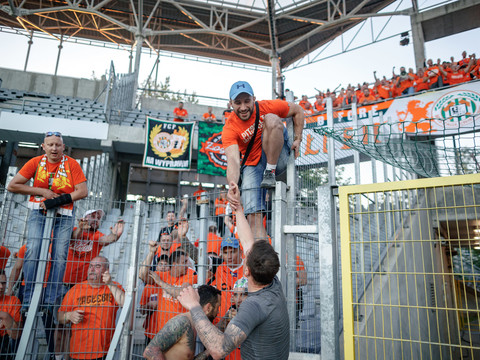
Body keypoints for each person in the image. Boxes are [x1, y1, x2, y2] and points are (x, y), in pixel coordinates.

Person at [178, 182, 289, 360]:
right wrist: (237, 207)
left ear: (246, 272)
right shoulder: (273, 283)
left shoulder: (254, 306)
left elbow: (218, 350)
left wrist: (194, 306)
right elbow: (247, 242)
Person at [7, 131, 88, 311]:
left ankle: (50, 299)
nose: (54, 148)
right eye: (50, 145)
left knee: (59, 255)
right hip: (38, 212)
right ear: (43, 147)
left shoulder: (72, 164)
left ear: (63, 147)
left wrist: (57, 200)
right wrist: (42, 192)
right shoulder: (35, 162)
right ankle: (28, 297)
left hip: (64, 214)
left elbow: (82, 191)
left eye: (57, 145)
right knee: (33, 249)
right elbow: (12, 185)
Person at [222, 81, 304, 240]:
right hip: (253, 164)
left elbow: (298, 110)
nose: (243, 107)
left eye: (247, 101)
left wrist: (298, 139)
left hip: (278, 158)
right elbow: (233, 159)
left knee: (272, 118)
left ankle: (270, 172)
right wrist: (232, 184)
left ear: (254, 98)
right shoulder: (229, 128)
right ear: (230, 103)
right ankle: (263, 261)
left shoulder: (266, 106)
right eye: (238, 102)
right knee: (253, 217)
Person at [57, 257, 124, 360]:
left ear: (106, 270)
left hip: (105, 351)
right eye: (90, 266)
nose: (92, 270)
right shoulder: (76, 289)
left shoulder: (114, 286)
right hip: (78, 351)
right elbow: (60, 317)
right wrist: (69, 315)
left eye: (97, 266)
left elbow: (124, 303)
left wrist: (109, 283)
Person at [143, 284, 221, 360]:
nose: (218, 312)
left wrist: (208, 351)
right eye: (218, 307)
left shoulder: (192, 324)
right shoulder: (182, 322)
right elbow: (150, 351)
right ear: (209, 308)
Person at [139, 246, 198, 331]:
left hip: (181, 330)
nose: (187, 265)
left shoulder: (190, 274)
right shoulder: (162, 275)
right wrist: (151, 253)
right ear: (175, 265)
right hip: (162, 330)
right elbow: (142, 275)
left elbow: (182, 293)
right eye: (184, 262)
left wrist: (160, 282)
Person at [64, 209, 124, 286]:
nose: (96, 219)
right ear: (85, 218)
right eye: (92, 216)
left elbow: (106, 240)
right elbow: (73, 237)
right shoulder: (73, 230)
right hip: (62, 281)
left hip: (84, 283)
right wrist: (81, 228)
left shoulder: (97, 235)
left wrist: (115, 236)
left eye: (98, 218)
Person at [211, 237, 244, 319]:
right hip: (222, 320)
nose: (229, 256)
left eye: (232, 252)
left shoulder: (248, 268)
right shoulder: (220, 269)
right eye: (226, 253)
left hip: (242, 319)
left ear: (240, 252)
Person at [0, 271, 22, 359]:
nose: (1, 287)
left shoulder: (13, 301)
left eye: (3, 283)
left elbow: (15, 334)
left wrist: (5, 316)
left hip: (5, 343)